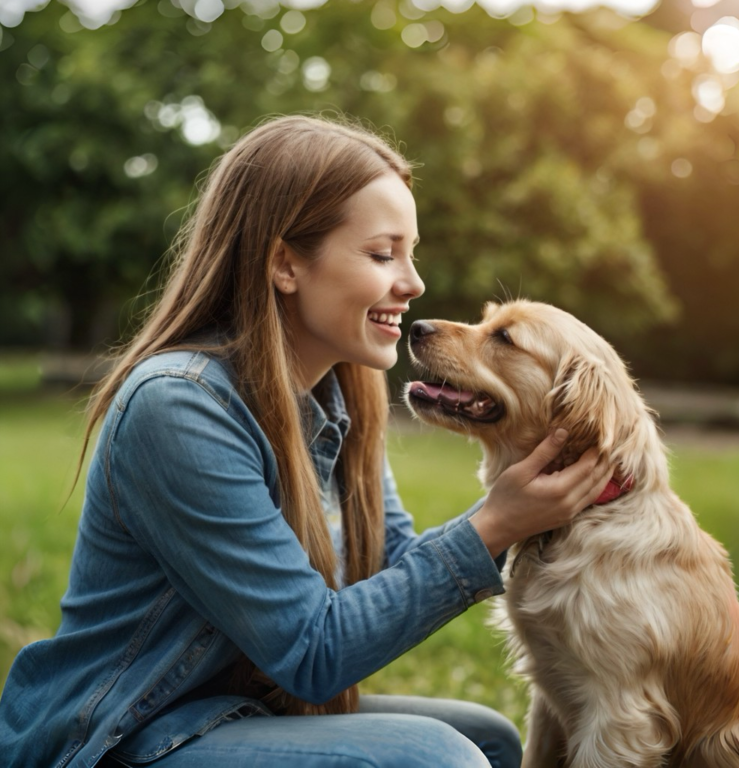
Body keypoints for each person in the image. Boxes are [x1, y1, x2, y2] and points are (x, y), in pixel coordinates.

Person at [0, 115, 611, 768]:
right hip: (120, 734)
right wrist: (496, 524)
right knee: (436, 760)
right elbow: (313, 654)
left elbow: (393, 562)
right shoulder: (178, 405)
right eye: (383, 254)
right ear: (285, 263)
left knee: (487, 736)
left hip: (229, 709)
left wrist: (538, 506)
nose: (414, 283)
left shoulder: (337, 397)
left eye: (410, 252)